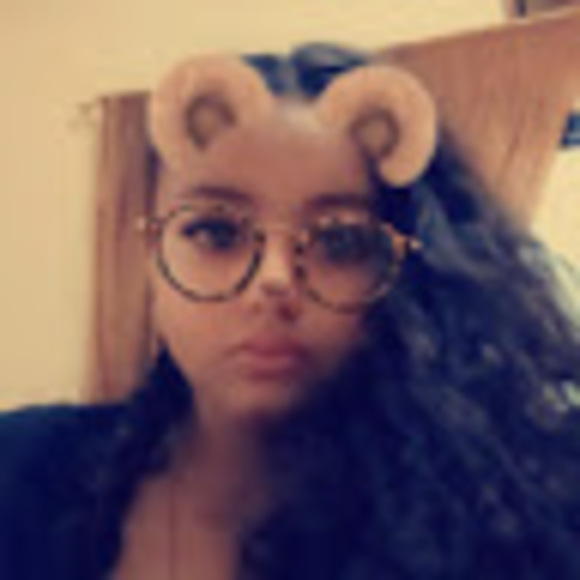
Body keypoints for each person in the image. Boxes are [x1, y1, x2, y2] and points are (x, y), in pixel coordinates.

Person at [1, 43, 580, 580]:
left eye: (340, 242)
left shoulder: (503, 517)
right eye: (216, 231)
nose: (273, 281)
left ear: (402, 274)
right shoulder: (21, 469)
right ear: (152, 256)